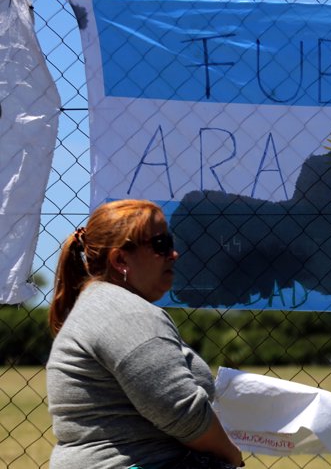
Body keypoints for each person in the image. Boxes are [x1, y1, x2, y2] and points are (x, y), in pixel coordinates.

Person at [46, 199, 244, 469]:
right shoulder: (127, 314)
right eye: (160, 245)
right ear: (120, 259)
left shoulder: (105, 305)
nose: (173, 254)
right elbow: (180, 411)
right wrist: (231, 456)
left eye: (170, 242)